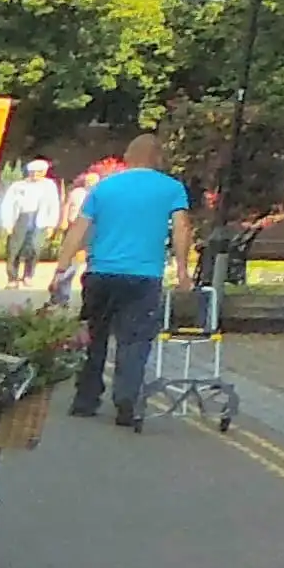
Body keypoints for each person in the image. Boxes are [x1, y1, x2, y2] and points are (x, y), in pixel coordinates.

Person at [66, 136, 191, 432]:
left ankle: (85, 399)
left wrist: (61, 266)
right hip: (143, 275)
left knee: (93, 336)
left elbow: (79, 228)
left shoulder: (104, 187)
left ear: (127, 156)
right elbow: (181, 228)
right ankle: (126, 400)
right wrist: (183, 270)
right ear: (158, 157)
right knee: (134, 340)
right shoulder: (171, 188)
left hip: (100, 272)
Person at [0, 154, 55, 278]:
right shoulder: (18, 186)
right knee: (15, 249)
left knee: (34, 248)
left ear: (44, 173)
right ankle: (12, 276)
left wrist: (51, 224)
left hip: (39, 219)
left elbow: (53, 205)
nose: (35, 175)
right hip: (21, 218)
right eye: (33, 172)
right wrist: (8, 223)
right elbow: (8, 204)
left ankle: (28, 275)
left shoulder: (49, 186)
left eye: (39, 172)